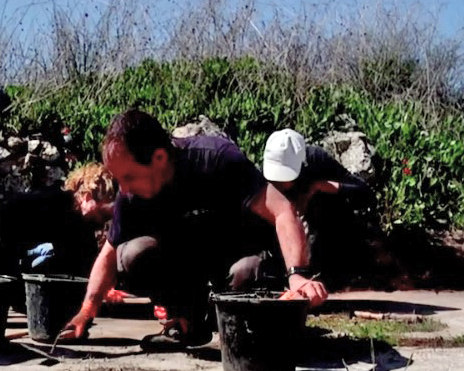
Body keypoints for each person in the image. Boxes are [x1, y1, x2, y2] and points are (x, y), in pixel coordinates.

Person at [58, 110, 326, 349]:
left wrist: (298, 276)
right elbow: (109, 254)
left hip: (240, 261)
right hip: (191, 270)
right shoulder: (131, 196)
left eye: (128, 177)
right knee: (130, 255)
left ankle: (250, 331)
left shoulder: (216, 159)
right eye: (119, 180)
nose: (124, 189)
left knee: (247, 271)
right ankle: (187, 322)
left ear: (159, 157)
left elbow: (282, 210)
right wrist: (86, 310)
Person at [260, 129, 374, 281]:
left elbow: (363, 192)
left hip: (320, 228)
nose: (281, 183)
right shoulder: (262, 176)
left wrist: (321, 186)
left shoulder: (315, 160)